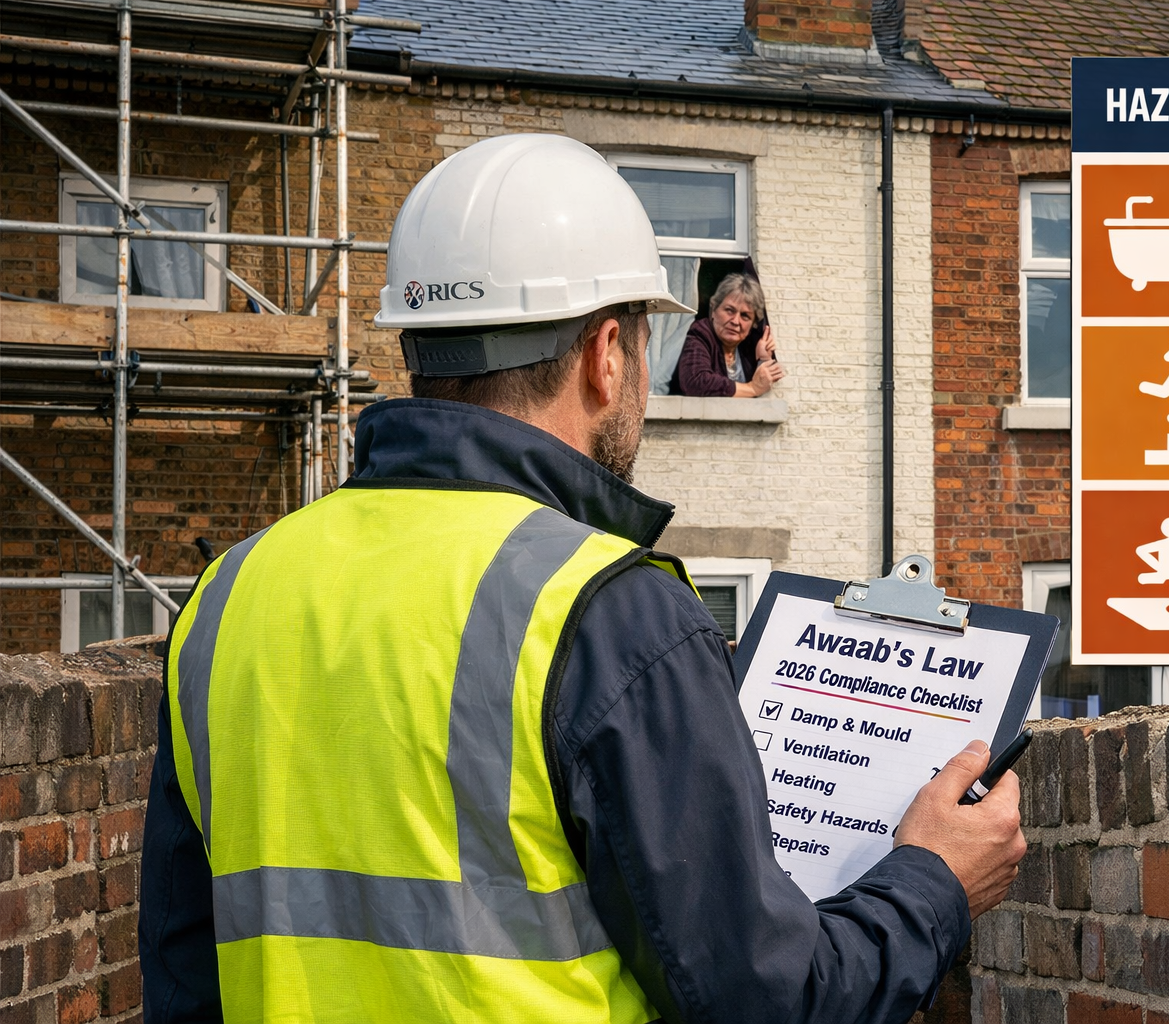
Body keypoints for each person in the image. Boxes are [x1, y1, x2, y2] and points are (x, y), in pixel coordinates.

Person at [138, 133, 1027, 1024]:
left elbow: (182, 971)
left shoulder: (227, 594)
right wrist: (933, 882)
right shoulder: (609, 610)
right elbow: (767, 1000)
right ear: (609, 352)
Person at [670, 273, 786, 397]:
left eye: (745, 316)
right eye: (730, 310)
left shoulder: (748, 347)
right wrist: (752, 388)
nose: (735, 321)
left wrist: (763, 359)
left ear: (753, 323)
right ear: (713, 309)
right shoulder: (700, 334)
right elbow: (695, 382)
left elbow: (765, 394)